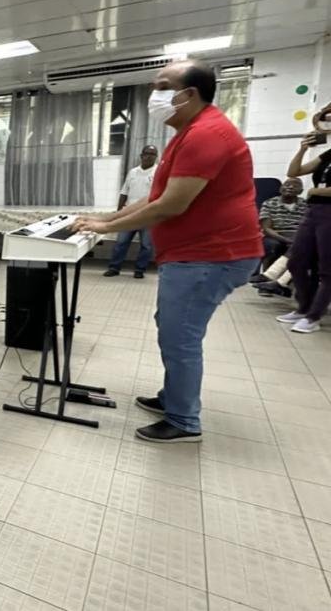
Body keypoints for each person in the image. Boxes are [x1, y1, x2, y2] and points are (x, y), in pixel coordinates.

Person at [75, 60, 261, 443]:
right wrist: (106, 216)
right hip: (196, 254)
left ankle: (183, 420)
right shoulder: (188, 132)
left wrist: (107, 228)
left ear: (189, 94)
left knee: (180, 336)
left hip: (211, 254)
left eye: (161, 87)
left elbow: (171, 206)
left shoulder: (206, 134)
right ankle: (172, 397)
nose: (152, 96)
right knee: (173, 327)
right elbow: (154, 198)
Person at [280, 103, 331, 334]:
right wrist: (302, 149)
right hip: (313, 213)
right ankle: (303, 308)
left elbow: (317, 190)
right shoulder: (328, 155)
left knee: (327, 269)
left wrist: (316, 191)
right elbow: (294, 172)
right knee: (296, 261)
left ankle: (313, 316)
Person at [103, 145, 158, 279]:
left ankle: (140, 270)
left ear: (156, 157)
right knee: (121, 242)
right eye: (147, 153)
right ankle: (114, 268)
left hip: (148, 215)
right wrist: (118, 213)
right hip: (129, 214)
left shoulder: (159, 172)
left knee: (146, 245)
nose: (149, 156)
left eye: (153, 154)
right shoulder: (133, 172)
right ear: (141, 155)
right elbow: (124, 192)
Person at [252, 177, 306, 277]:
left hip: (298, 236)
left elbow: (308, 227)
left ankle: (278, 279)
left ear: (301, 191)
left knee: (304, 246)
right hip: (275, 235)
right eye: (287, 184)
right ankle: (269, 276)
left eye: (295, 185)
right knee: (272, 245)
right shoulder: (269, 203)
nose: (290, 187)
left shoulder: (306, 205)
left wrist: (297, 239)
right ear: (280, 188)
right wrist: (286, 240)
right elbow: (266, 228)